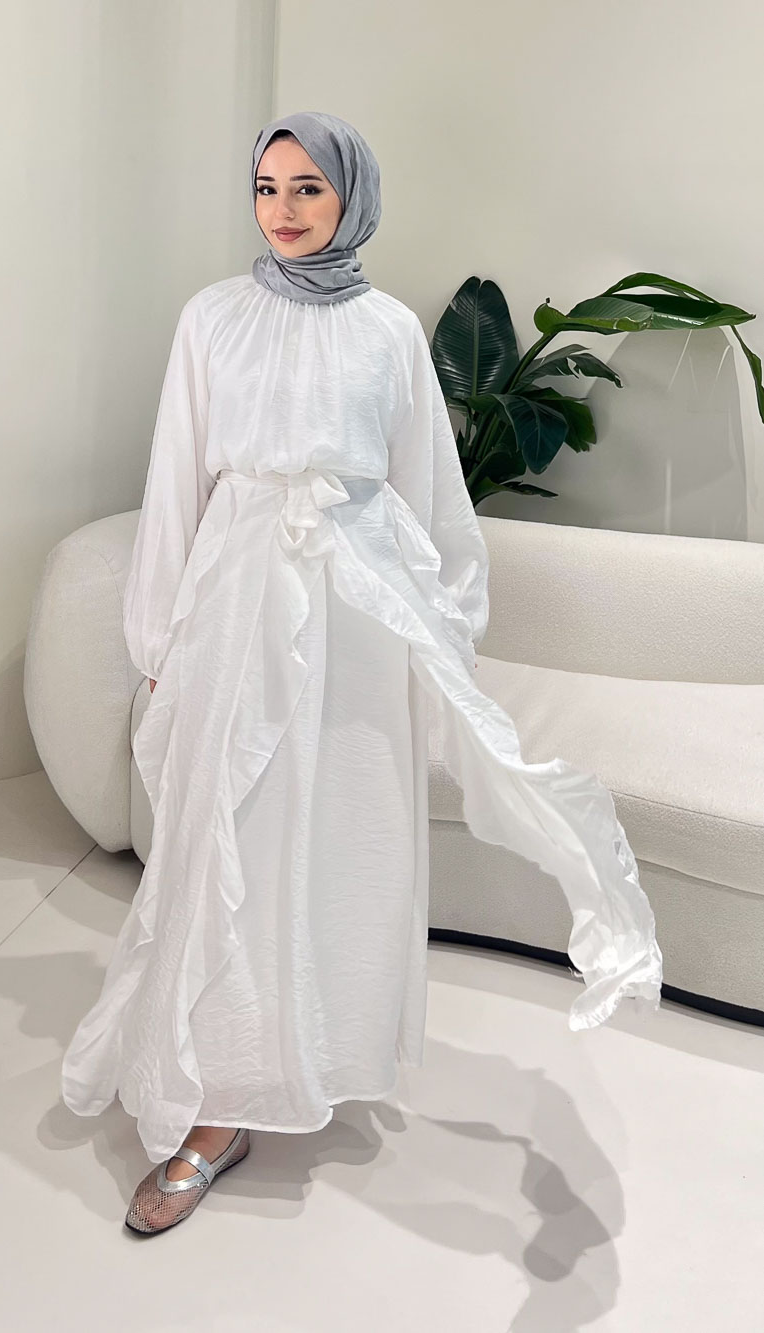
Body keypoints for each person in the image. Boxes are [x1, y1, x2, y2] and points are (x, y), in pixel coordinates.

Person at [60, 111, 663, 1236]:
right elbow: (176, 478)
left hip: (355, 612)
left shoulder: (387, 331)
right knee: (228, 832)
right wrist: (157, 643)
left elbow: (425, 487)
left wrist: (446, 626)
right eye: (266, 187)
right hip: (238, 594)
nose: (283, 210)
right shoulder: (211, 318)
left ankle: (310, 1053)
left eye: (308, 188)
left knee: (335, 836)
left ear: (351, 199)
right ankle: (216, 1100)